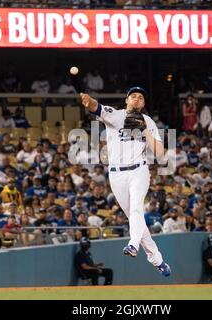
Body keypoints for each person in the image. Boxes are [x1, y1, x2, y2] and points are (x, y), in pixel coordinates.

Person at [80, 86, 171, 277]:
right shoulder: (117, 115)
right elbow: (97, 108)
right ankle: (158, 260)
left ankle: (132, 245)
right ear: (126, 101)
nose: (137, 99)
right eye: (133, 96)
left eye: (140, 97)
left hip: (139, 170)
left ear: (144, 103)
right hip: (116, 175)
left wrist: (145, 131)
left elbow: (161, 154)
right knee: (135, 218)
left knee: (137, 209)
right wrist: (89, 102)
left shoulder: (148, 122)